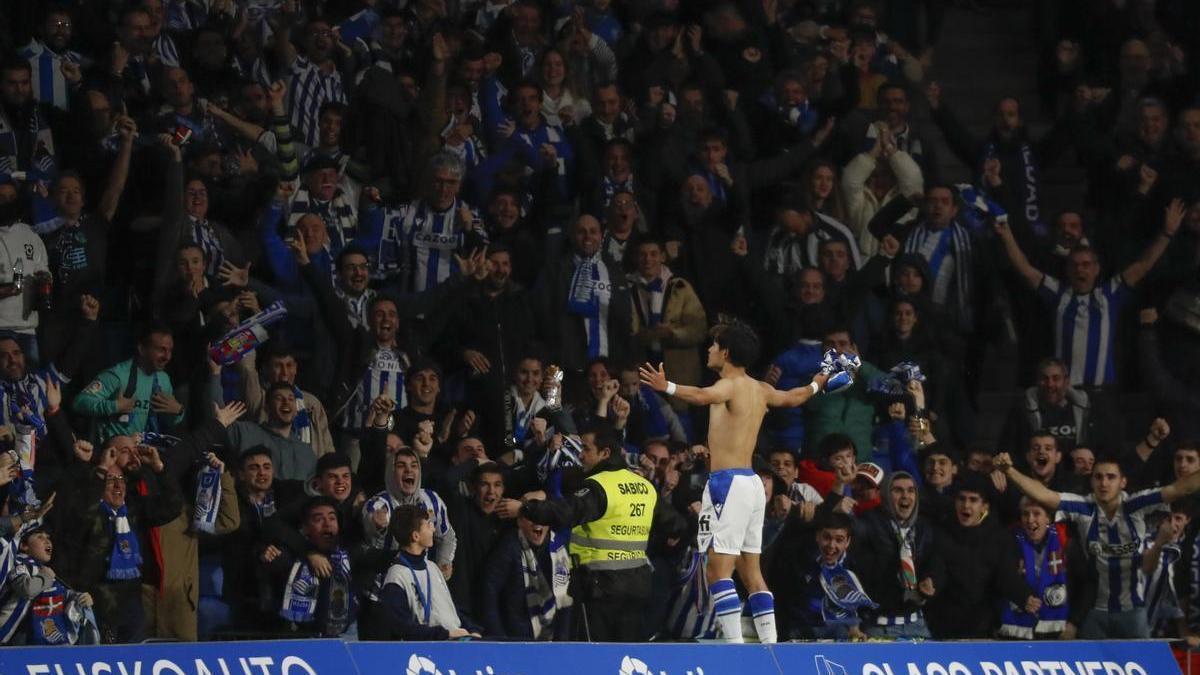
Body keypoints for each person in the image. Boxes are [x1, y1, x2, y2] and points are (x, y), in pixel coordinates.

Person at [639, 320, 840, 643]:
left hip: (727, 484)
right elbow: (796, 396)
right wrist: (820, 381)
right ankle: (770, 648)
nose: (709, 349)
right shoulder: (761, 389)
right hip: (751, 485)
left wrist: (668, 388)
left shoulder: (729, 385)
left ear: (726, 352)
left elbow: (704, 395)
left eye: (714, 344)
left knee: (717, 571)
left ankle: (735, 650)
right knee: (752, 573)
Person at [497, 424, 684, 642]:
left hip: (599, 589)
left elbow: (565, 513)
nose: (580, 455)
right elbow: (677, 525)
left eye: (586, 449)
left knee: (595, 660)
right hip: (637, 587)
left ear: (605, 453)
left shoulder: (599, 486)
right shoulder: (644, 486)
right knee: (625, 659)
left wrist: (522, 509)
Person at [994, 450, 1200, 638]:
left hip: (1133, 612)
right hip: (1094, 613)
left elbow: (1179, 488)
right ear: (1091, 481)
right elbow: (1043, 495)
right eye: (1098, 477)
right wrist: (1009, 471)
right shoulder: (1083, 508)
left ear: (1123, 482)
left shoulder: (1136, 505)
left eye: (1111, 477)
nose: (1104, 483)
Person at [365, 504, 481, 640]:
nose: (433, 528)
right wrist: (445, 634)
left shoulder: (432, 567)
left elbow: (451, 610)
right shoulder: (397, 576)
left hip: (458, 641)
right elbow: (402, 627)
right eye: (428, 525)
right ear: (416, 536)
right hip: (431, 650)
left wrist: (472, 629)